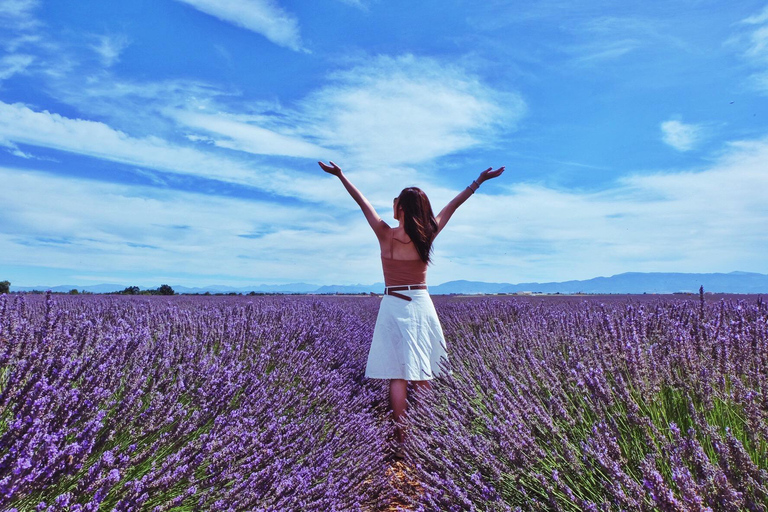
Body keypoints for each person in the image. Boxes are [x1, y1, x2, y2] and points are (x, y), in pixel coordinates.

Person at [318, 160, 505, 457]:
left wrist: (341, 176)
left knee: (397, 374)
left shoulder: (385, 233)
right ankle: (426, 438)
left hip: (393, 304)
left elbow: (361, 202)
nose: (392, 205)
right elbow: (453, 206)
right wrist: (478, 181)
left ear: (402, 208)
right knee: (423, 372)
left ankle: (402, 439)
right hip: (420, 303)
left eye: (396, 201)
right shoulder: (427, 233)